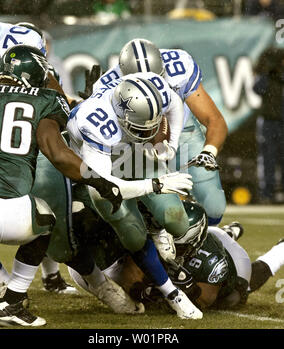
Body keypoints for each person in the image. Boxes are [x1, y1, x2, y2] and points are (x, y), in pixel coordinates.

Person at [0, 44, 123, 327]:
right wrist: (100, 180)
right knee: (45, 217)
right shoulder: (45, 100)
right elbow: (59, 155)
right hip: (1, 213)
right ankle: (11, 302)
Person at [67, 72, 203, 320]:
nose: (152, 133)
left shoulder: (153, 86)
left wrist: (171, 144)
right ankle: (173, 294)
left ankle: (154, 224)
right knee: (131, 233)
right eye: (144, 128)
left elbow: (174, 103)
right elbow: (104, 187)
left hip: (132, 151)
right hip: (97, 171)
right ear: (122, 118)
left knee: (177, 220)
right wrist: (155, 185)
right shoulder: (97, 124)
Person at [0, 1, 74, 297]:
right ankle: (2, 283)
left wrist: (64, 110)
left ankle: (50, 275)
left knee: (45, 195)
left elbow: (48, 85)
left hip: (25, 129)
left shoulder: (21, 39)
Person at [92, 38, 228, 230]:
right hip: (138, 143)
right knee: (168, 215)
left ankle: (210, 237)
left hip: (182, 130)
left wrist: (209, 152)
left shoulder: (179, 67)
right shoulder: (108, 87)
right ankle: (153, 226)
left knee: (214, 207)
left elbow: (215, 120)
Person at [68, 199, 251, 312]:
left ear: (192, 244)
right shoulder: (156, 234)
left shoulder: (211, 259)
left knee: (234, 298)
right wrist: (149, 291)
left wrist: (189, 289)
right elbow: (130, 277)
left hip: (229, 256)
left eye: (177, 246)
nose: (167, 248)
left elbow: (205, 300)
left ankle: (266, 246)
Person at [253, 47, 284, 204]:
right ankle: (267, 193)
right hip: (269, 122)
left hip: (278, 122)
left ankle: (273, 192)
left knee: (276, 158)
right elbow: (257, 88)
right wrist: (268, 74)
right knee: (268, 158)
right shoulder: (267, 78)